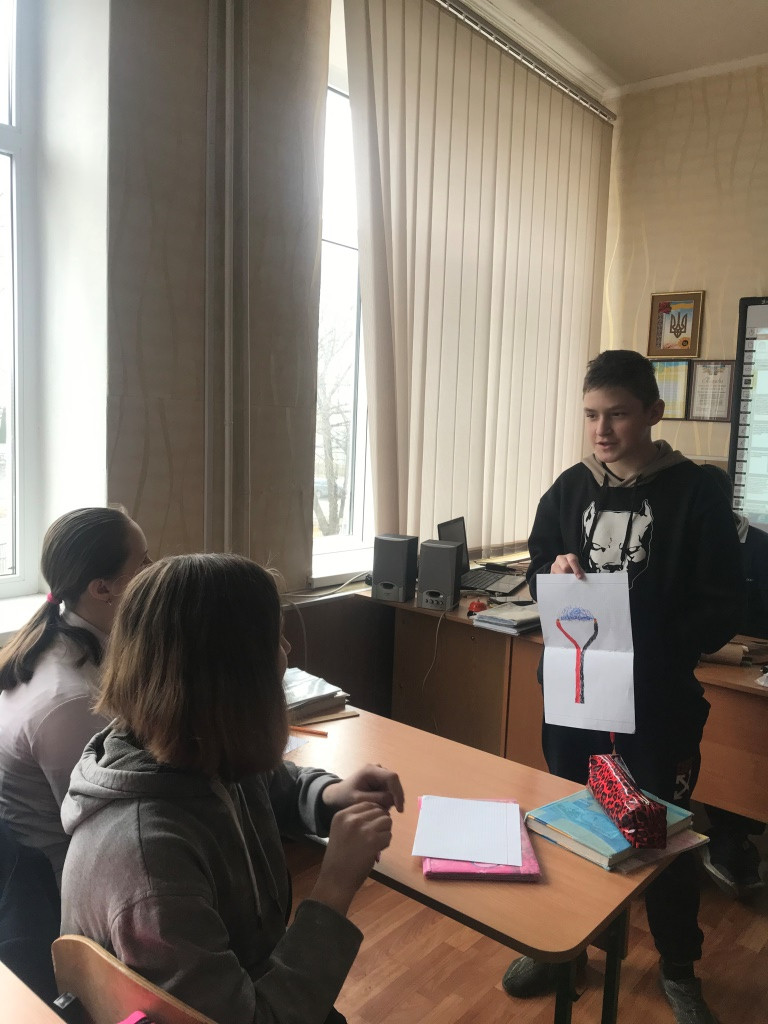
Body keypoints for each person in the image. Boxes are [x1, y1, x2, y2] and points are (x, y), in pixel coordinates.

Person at [502, 350, 744, 1024]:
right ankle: (568, 949)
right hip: (575, 696)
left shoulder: (696, 493)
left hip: (655, 703)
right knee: (573, 821)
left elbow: (721, 607)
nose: (601, 430)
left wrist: (647, 621)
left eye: (617, 415)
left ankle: (678, 966)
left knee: (656, 834)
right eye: (591, 415)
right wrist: (553, 570)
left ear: (653, 413)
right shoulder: (570, 488)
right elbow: (538, 566)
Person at [60, 553, 404, 1024]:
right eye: (275, 638)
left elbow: (270, 784)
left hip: (258, 978)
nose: (287, 649)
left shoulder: (193, 745)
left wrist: (329, 797)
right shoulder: (150, 867)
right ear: (231, 676)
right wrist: (334, 886)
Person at [0, 506, 150, 885]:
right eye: (144, 563)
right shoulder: (71, 701)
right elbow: (109, 828)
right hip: (62, 885)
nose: (156, 570)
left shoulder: (72, 643)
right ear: (102, 589)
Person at [698, 464, 767, 896]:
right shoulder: (688, 539)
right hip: (701, 658)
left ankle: (733, 835)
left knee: (739, 750)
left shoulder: (759, 547)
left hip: (749, 660)